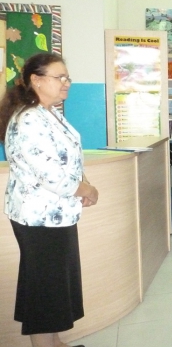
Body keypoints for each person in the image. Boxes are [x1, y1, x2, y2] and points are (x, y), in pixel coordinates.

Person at [0, 53, 99, 347]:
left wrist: (83, 182)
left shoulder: (49, 112)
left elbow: (68, 158)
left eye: (67, 77)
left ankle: (55, 342)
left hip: (55, 215)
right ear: (37, 80)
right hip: (38, 219)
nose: (66, 83)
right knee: (44, 292)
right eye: (60, 77)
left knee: (54, 288)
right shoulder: (29, 119)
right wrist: (87, 190)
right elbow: (51, 175)